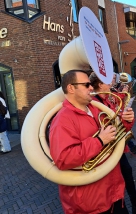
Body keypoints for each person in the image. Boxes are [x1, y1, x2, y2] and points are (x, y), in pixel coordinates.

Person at [49, 69, 129, 214]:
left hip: (113, 191)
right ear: (71, 88)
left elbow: (116, 131)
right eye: (86, 85)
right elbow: (64, 158)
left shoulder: (95, 108)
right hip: (90, 202)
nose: (91, 87)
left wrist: (127, 121)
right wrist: (99, 141)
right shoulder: (62, 120)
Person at [89, 72, 136, 214]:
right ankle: (133, 205)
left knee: (126, 175)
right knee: (122, 177)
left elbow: (119, 123)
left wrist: (127, 119)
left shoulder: (107, 99)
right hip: (107, 150)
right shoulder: (95, 103)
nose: (112, 83)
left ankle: (135, 205)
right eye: (109, 81)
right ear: (100, 84)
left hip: (115, 147)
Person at [111, 73, 136, 155]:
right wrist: (123, 93)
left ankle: (131, 147)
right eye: (113, 78)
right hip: (115, 116)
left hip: (120, 113)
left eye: (115, 78)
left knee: (125, 133)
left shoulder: (114, 88)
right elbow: (115, 99)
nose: (115, 80)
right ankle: (131, 148)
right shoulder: (110, 90)